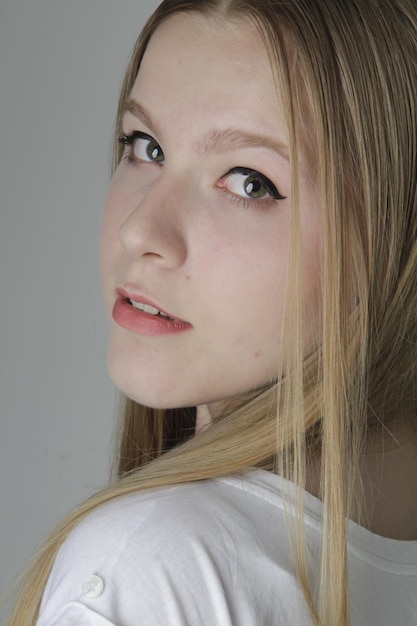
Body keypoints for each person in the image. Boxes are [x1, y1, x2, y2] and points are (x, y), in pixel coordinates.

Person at [6, 0, 417, 624]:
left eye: (249, 182)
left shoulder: (157, 566)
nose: (141, 230)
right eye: (144, 146)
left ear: (395, 242)